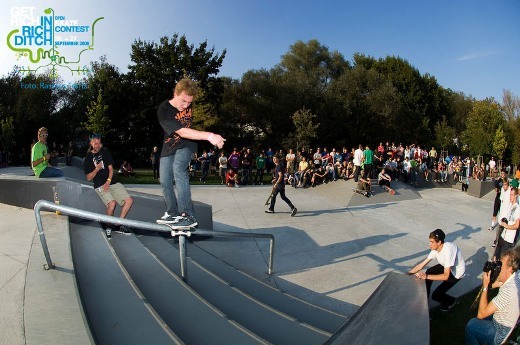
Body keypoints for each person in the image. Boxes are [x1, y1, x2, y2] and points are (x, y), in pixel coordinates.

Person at [156, 78, 225, 228]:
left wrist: (205, 136)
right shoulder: (164, 110)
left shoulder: (187, 101)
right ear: (175, 93)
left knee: (179, 169)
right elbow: (180, 131)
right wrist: (209, 135)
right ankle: (171, 213)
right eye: (183, 101)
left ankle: (187, 215)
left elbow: (186, 134)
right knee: (165, 179)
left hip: (187, 144)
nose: (186, 106)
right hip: (169, 146)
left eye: (189, 103)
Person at [465, 249, 520, 345]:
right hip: (507, 322)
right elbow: (500, 282)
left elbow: (481, 314)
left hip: (499, 335)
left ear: (509, 269)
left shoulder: (508, 291)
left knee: (472, 325)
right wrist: (491, 281)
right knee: (481, 320)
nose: (499, 267)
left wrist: (485, 286)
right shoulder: (516, 276)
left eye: (501, 265)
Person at [83, 134, 133, 238]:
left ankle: (118, 225)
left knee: (129, 201)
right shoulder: (87, 159)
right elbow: (88, 178)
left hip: (111, 182)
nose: (98, 146)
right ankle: (108, 226)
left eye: (99, 143)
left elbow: (110, 169)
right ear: (91, 144)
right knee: (112, 204)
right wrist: (97, 169)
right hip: (99, 185)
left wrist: (108, 181)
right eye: (95, 143)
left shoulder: (105, 152)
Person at [407, 229, 465, 312]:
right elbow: (421, 265)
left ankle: (451, 301)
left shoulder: (449, 250)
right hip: (446, 266)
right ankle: (424, 301)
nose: (429, 244)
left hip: (456, 273)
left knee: (436, 295)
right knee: (429, 272)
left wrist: (426, 276)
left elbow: (446, 276)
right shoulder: (435, 250)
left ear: (439, 242)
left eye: (432, 242)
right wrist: (406, 274)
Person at [493, 187, 519, 261]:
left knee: (502, 260)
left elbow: (517, 225)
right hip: (503, 235)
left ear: (516, 196)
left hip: (508, 239)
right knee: (496, 256)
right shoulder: (511, 206)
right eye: (510, 195)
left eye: (512, 195)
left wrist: (507, 226)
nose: (510, 197)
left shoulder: (517, 209)